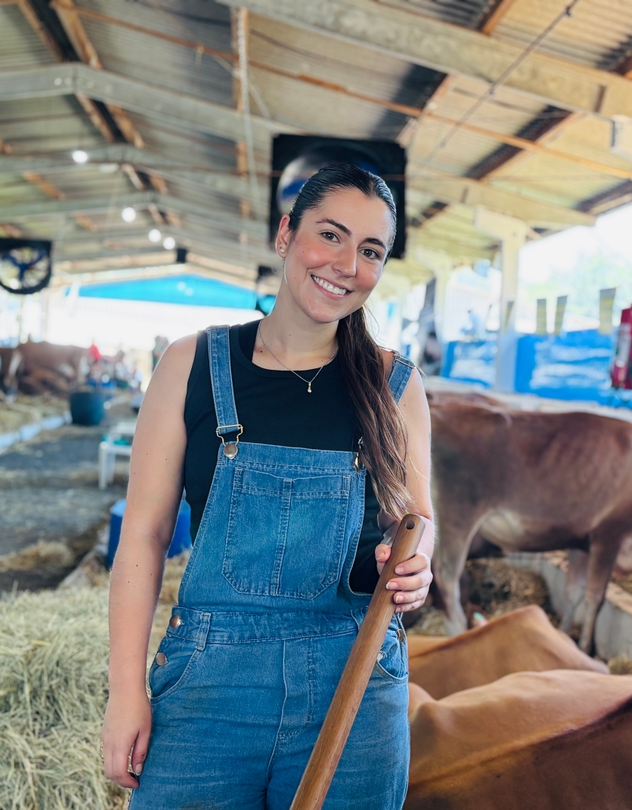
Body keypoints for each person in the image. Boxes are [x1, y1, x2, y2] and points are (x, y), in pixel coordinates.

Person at [103, 164, 435, 809]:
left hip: (353, 686)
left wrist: (416, 564)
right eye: (330, 235)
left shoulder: (396, 385)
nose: (347, 265)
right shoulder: (192, 364)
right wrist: (125, 691)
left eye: (371, 251)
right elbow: (143, 534)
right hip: (206, 687)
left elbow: (419, 522)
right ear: (286, 235)